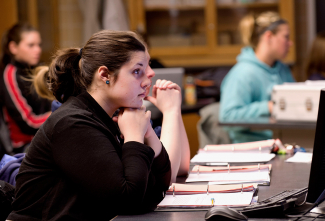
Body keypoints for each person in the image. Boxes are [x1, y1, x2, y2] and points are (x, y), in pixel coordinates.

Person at [7, 30, 190, 220]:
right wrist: (134, 136)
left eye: (148, 67)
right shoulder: (72, 123)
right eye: (137, 71)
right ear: (104, 74)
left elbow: (156, 189)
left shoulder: (108, 117)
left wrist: (148, 133)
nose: (149, 77)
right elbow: (128, 201)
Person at [219, 11, 295, 143]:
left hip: (284, 142)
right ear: (269, 36)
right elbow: (227, 117)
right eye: (286, 37)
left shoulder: (283, 69)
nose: (290, 43)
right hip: (254, 149)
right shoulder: (242, 73)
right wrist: (268, 107)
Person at [0, 23, 52, 153]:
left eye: (39, 45)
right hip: (24, 146)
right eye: (31, 45)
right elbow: (28, 123)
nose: (38, 50)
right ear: (13, 47)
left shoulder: (36, 69)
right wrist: (58, 114)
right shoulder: (10, 74)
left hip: (44, 136)